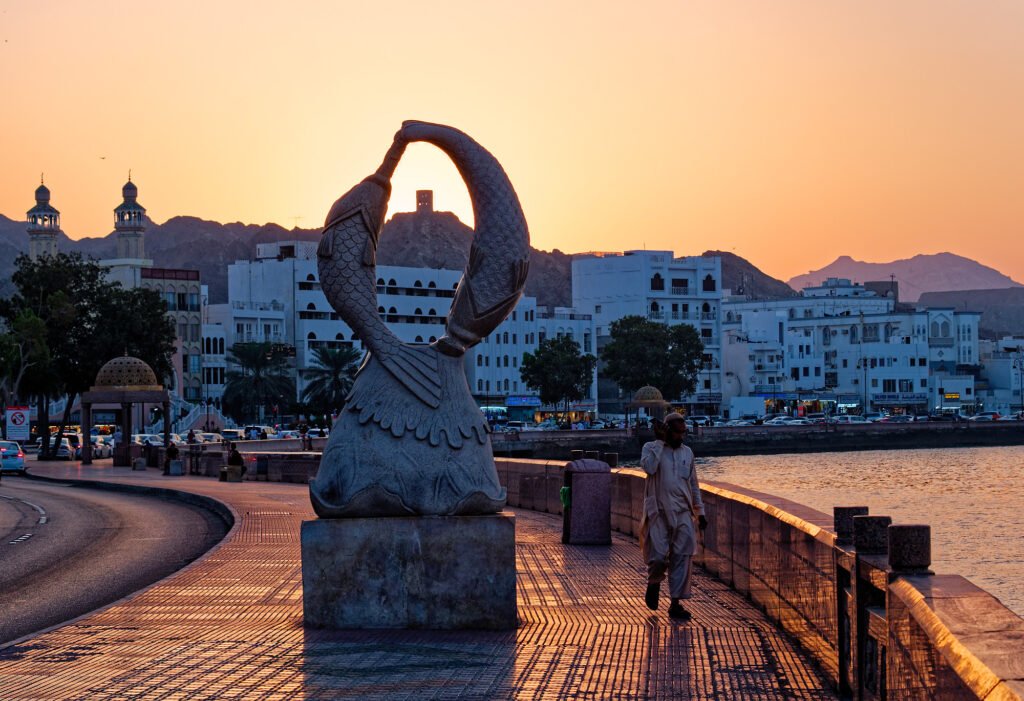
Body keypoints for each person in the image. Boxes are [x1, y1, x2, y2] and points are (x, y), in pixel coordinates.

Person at [639, 412, 708, 621]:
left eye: (682, 433)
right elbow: (649, 468)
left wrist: (700, 512)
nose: (680, 437)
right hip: (658, 512)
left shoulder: (687, 452)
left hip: (683, 512)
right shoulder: (650, 448)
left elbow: (693, 484)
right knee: (658, 556)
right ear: (668, 431)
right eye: (677, 433)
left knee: (682, 557)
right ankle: (654, 582)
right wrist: (660, 442)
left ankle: (675, 603)